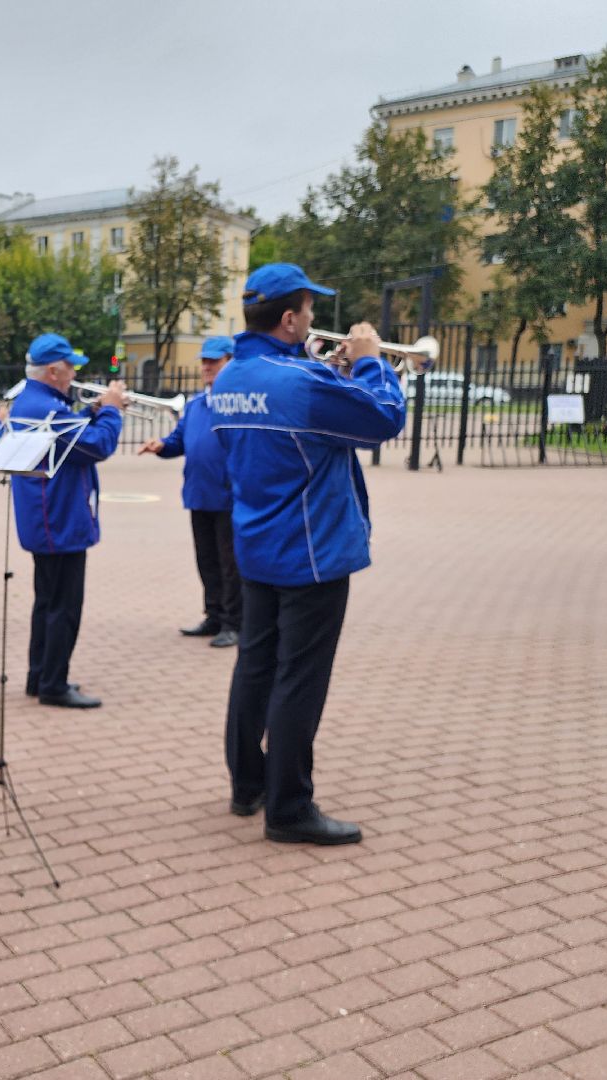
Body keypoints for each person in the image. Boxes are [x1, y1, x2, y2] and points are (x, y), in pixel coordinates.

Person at [210, 263, 405, 845]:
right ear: (291, 319)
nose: (318, 319)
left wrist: (333, 371)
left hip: (257, 544)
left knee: (255, 666)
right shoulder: (298, 383)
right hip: (312, 551)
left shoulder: (229, 378)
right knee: (300, 679)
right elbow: (383, 419)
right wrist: (368, 361)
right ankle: (290, 808)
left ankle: (248, 785)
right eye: (311, 310)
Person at [9, 333, 124, 708]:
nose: (75, 373)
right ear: (54, 371)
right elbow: (98, 446)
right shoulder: (48, 410)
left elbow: (74, 437)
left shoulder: (35, 401)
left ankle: (39, 676)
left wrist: (90, 415)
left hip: (47, 519)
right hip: (59, 520)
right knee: (63, 607)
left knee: (47, 602)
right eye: (70, 367)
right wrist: (110, 410)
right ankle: (54, 684)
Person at [138, 336, 242, 649]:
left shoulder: (237, 403)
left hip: (228, 496)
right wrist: (161, 447)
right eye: (204, 361)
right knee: (206, 560)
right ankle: (213, 615)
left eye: (214, 361)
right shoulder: (196, 404)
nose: (207, 367)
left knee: (230, 564)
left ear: (230, 363)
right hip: (199, 494)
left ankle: (234, 623)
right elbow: (179, 441)